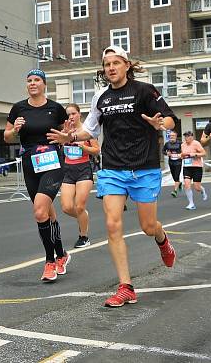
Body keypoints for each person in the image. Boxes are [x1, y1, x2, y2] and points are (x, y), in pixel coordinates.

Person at [48, 46, 177, 307]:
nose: (111, 68)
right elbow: (90, 129)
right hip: (113, 168)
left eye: (116, 63)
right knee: (112, 224)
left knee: (148, 227)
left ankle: (163, 240)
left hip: (144, 168)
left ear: (127, 65)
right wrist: (70, 137)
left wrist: (160, 123)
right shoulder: (101, 98)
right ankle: (126, 286)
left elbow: (171, 118)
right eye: (107, 64)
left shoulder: (144, 90)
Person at [5, 69, 70, 283]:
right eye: (29, 81)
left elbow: (66, 135)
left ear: (44, 84)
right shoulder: (18, 108)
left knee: (39, 210)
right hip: (30, 162)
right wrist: (15, 130)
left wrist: (65, 137)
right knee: (47, 213)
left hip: (52, 161)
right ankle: (62, 254)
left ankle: (50, 261)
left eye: (37, 80)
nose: (32, 83)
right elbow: (7, 137)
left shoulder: (55, 109)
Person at [60, 103, 100, 248]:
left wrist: (84, 147)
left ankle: (84, 237)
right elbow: (58, 146)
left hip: (83, 169)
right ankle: (83, 216)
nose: (70, 117)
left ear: (79, 114)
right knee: (66, 207)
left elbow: (96, 150)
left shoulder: (86, 131)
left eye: (73, 114)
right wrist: (63, 138)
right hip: (68, 170)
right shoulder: (64, 130)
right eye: (68, 115)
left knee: (79, 206)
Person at [180, 131, 206, 210]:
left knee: (197, 187)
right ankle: (191, 203)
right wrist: (182, 156)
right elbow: (182, 155)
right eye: (185, 136)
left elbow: (204, 153)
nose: (186, 138)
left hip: (196, 167)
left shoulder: (196, 143)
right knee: (187, 185)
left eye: (187, 136)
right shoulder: (183, 145)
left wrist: (195, 154)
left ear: (191, 137)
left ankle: (202, 190)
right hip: (187, 167)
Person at [163, 131, 183, 198]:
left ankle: (175, 191)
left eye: (173, 135)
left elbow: (184, 150)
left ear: (176, 136)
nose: (171, 137)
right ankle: (179, 183)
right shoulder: (167, 144)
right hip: (171, 162)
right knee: (174, 177)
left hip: (178, 162)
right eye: (170, 136)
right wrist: (166, 153)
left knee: (177, 176)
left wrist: (181, 154)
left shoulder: (180, 143)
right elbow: (163, 151)